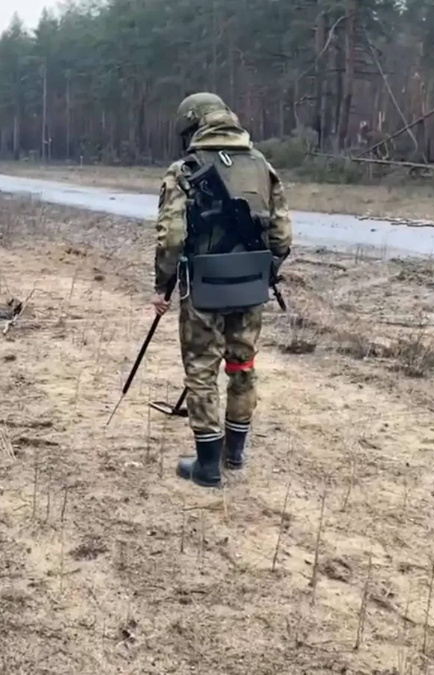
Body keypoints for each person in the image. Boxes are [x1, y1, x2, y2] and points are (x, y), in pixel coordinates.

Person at [152, 92, 292, 488]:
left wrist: (162, 285)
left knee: (201, 369)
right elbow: (282, 236)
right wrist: (264, 270)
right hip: (251, 286)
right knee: (242, 366)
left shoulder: (183, 170)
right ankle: (234, 453)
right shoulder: (262, 166)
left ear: (193, 126)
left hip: (203, 286)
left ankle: (208, 466)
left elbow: (171, 238)